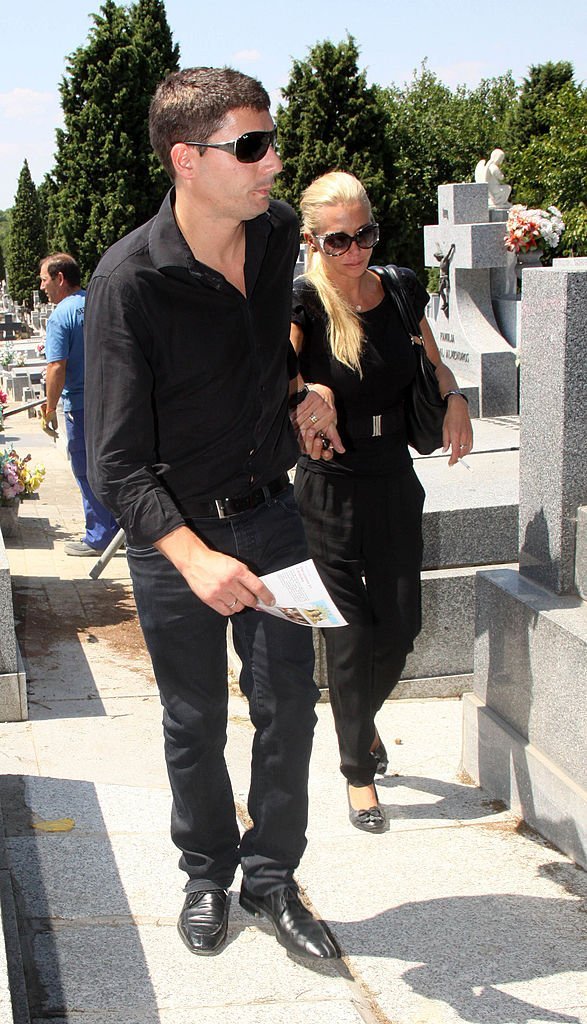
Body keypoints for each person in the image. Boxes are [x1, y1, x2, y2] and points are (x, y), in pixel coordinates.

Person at [84, 67, 343, 960]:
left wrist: (300, 390)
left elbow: (265, 351)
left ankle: (271, 880)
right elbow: (112, 464)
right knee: (192, 718)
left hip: (273, 519)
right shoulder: (129, 283)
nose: (274, 162)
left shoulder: (273, 236)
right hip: (172, 542)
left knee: (291, 708)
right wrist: (194, 557)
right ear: (188, 160)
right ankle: (206, 876)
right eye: (252, 147)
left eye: (270, 140)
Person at [290, 171, 473, 834]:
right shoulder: (301, 302)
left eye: (363, 233)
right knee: (348, 635)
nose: (354, 250)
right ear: (313, 240)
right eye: (337, 240)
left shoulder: (397, 288)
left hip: (394, 478)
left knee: (399, 629)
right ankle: (357, 774)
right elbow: (275, 371)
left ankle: (359, 724)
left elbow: (432, 358)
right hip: (328, 486)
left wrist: (454, 399)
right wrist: (309, 393)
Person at [39, 253, 119, 556]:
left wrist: (49, 409)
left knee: (87, 470)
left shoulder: (61, 315)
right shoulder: (97, 302)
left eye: (45, 279)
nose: (43, 286)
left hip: (82, 405)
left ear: (60, 278)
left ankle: (99, 536)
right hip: (114, 400)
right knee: (114, 465)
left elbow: (56, 366)